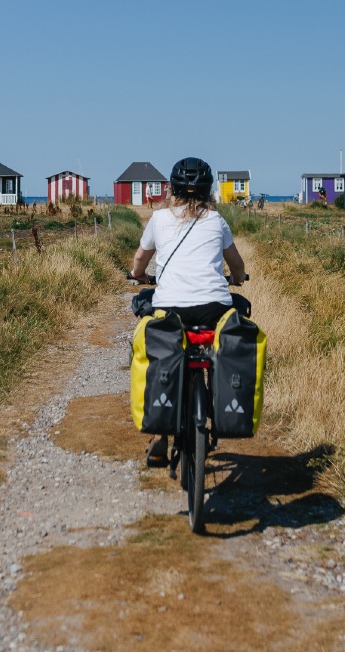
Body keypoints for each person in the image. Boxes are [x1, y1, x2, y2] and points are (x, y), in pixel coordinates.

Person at [129, 156, 247, 466]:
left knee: (162, 350)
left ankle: (161, 434)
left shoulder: (159, 219)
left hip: (171, 309)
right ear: (208, 190)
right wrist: (236, 279)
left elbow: (141, 259)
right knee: (217, 350)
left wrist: (139, 276)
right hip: (214, 309)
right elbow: (236, 264)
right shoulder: (217, 221)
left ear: (172, 188)